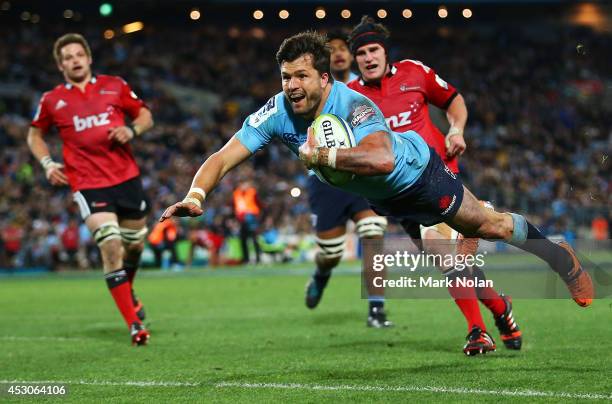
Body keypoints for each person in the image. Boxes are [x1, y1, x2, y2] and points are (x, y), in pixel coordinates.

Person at [159, 32, 594, 354]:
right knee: (447, 260)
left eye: (301, 76)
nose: (291, 85)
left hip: (419, 173)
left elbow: (383, 159)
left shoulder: (352, 104)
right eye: (286, 76)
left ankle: (558, 258)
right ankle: (487, 322)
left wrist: (325, 157)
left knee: (489, 226)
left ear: (325, 78)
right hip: (386, 200)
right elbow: (223, 155)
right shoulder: (278, 110)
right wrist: (197, 194)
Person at [347, 16, 521, 354]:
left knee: (446, 254)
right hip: (397, 191)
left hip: (437, 175)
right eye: (361, 54)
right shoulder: (350, 97)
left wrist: (456, 130)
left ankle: (477, 332)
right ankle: (501, 309)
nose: (368, 58)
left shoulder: (415, 72)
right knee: (453, 262)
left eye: (373, 50)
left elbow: (454, 100)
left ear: (385, 53)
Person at [27, 33, 153, 345]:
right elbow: (35, 136)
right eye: (67, 57)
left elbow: (145, 115)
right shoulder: (52, 100)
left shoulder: (115, 85)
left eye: (78, 54)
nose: (74, 60)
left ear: (88, 58)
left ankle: (128, 289)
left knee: (135, 245)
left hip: (126, 177)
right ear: (61, 65)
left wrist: (131, 129)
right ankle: (134, 324)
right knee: (111, 245)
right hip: (87, 183)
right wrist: (47, 163)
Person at [304, 30, 391, 328]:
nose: (339, 53)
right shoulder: (312, 88)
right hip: (326, 178)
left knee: (372, 231)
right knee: (331, 252)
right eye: (333, 49)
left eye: (344, 48)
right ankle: (322, 273)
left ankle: (377, 308)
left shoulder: (366, 87)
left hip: (362, 173)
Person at [233, 180, 262, 264]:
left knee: (254, 239)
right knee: (243, 239)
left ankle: (257, 259)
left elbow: (259, 204)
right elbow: (235, 206)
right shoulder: (236, 193)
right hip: (241, 220)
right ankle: (246, 259)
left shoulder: (252, 192)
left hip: (251, 218)